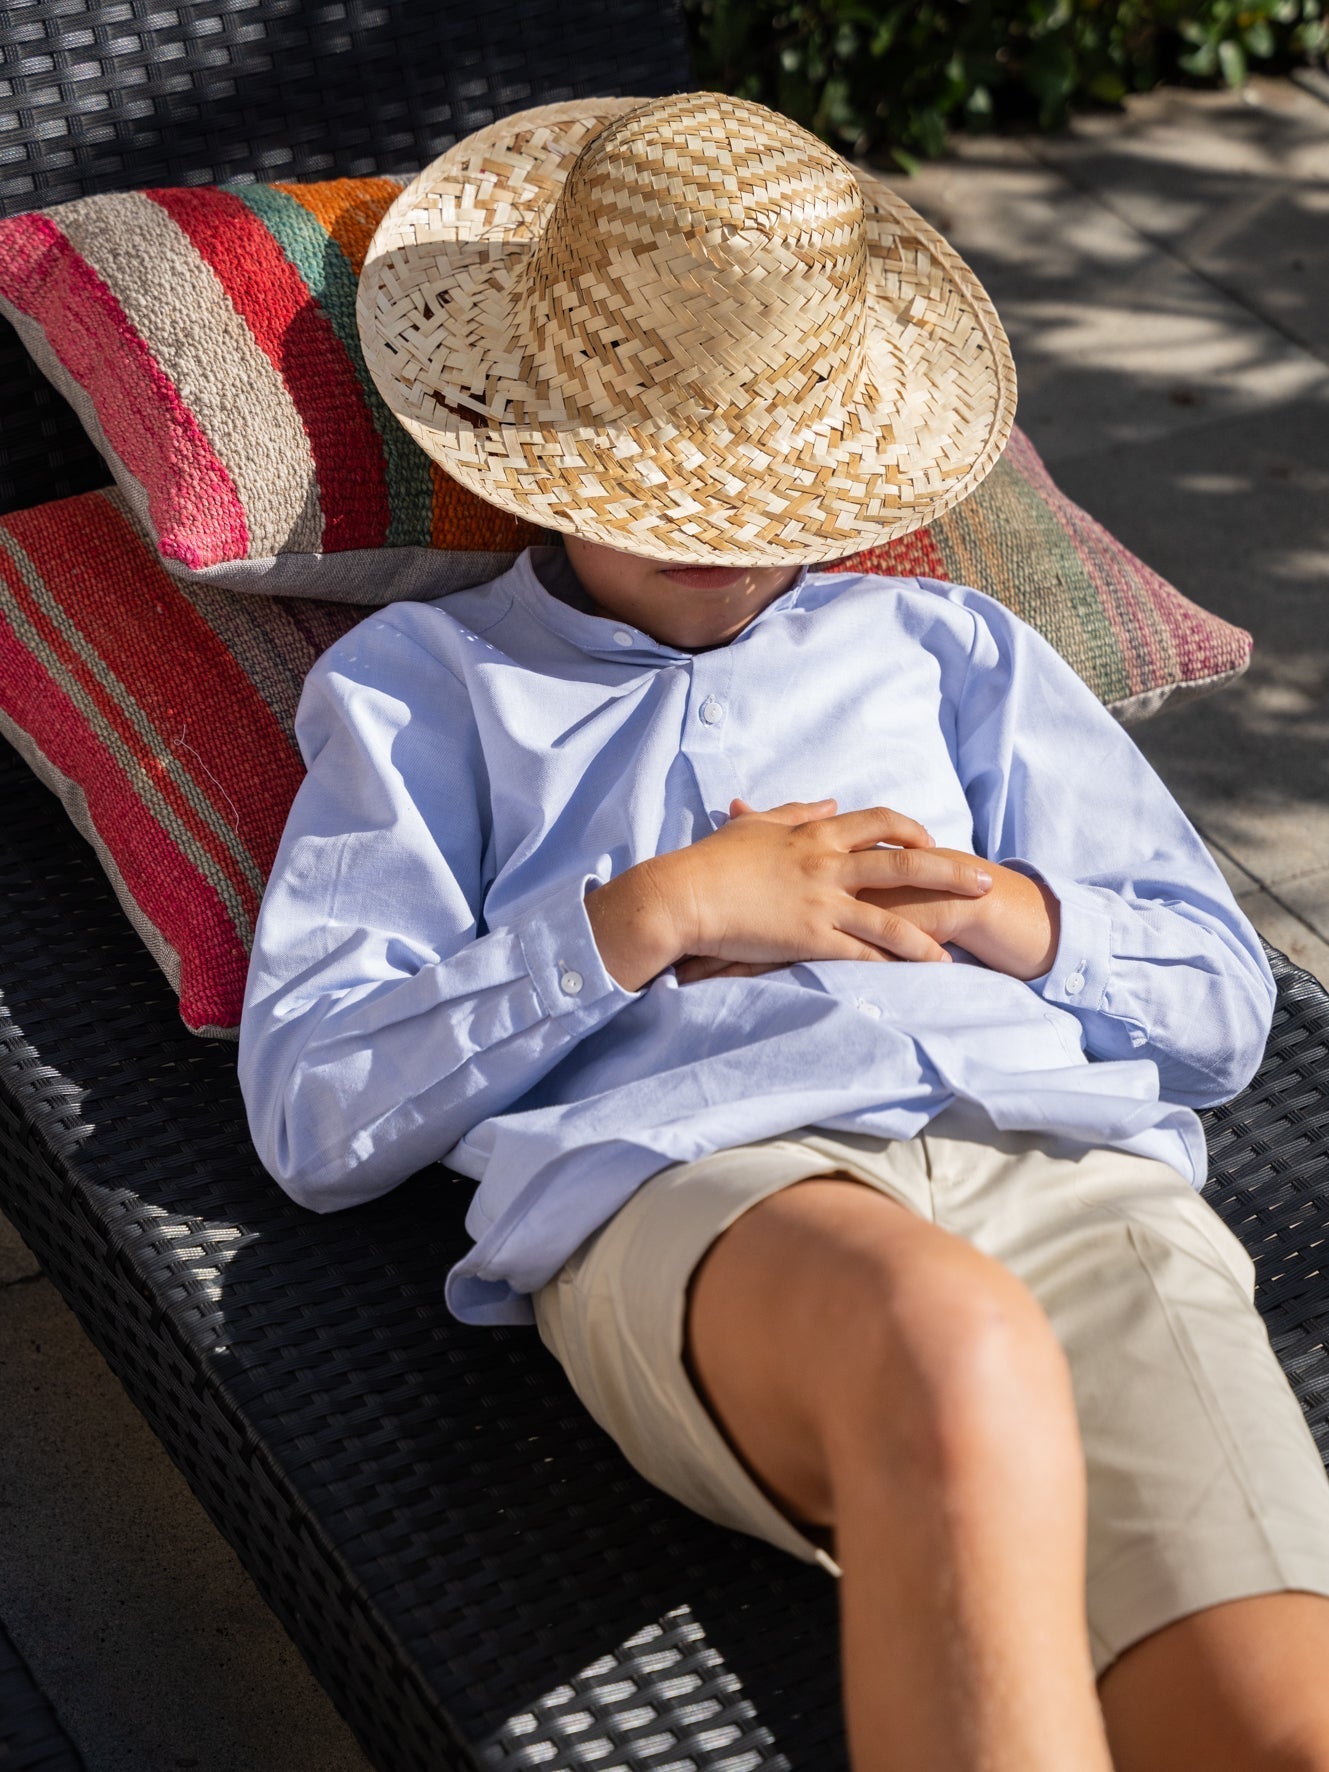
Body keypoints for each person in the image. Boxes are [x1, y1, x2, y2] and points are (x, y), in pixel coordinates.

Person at [238, 90, 1329, 1772]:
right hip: (712, 1188)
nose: (719, 537)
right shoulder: (428, 694)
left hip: (1071, 1176)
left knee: (1283, 1722)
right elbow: (318, 1110)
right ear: (539, 431)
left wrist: (1017, 915)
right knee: (949, 1356)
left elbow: (1218, 1000)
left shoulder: (950, 648)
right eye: (660, 481)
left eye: (763, 490)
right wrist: (653, 913)